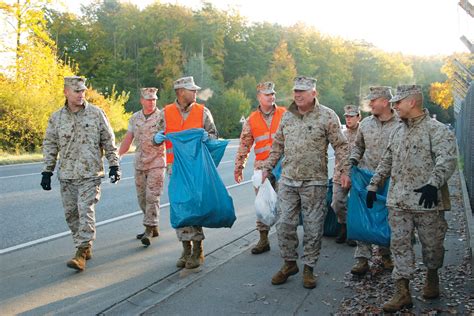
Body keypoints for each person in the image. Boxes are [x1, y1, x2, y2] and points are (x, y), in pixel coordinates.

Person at [366, 85, 456, 312]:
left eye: (398, 102)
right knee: (399, 246)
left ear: (412, 102)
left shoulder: (436, 130)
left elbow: (447, 160)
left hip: (427, 202)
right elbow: (386, 160)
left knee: (432, 246)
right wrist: (373, 186)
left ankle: (432, 276)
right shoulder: (398, 131)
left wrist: (433, 184)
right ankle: (402, 291)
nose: (394, 106)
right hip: (398, 201)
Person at [262, 76, 351, 289]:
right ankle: (289, 263)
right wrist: (267, 167)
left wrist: (345, 170)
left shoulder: (327, 116)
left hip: (314, 182)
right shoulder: (287, 117)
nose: (298, 95)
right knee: (284, 224)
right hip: (288, 180)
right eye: (295, 91)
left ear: (314, 93)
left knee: (313, 227)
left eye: (303, 91)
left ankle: (309, 268)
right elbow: (277, 146)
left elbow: (341, 146)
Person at [41, 76, 121, 271]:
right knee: (71, 214)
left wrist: (114, 165)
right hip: (67, 174)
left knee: (85, 210)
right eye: (76, 91)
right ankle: (84, 245)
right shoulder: (57, 117)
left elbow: (108, 140)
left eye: (83, 91)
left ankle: (81, 251)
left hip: (90, 173)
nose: (81, 94)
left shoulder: (96, 113)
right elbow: (50, 144)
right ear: (66, 92)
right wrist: (47, 171)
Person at [153, 76, 218, 270]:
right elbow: (153, 139)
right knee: (180, 207)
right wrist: (156, 139)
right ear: (181, 91)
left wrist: (208, 137)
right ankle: (185, 247)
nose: (196, 93)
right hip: (175, 168)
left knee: (193, 207)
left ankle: (197, 249)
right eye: (192, 90)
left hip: (196, 168)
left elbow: (214, 135)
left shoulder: (202, 111)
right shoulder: (165, 113)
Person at [349, 86, 398, 276]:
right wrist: (352, 161)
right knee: (364, 215)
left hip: (391, 179)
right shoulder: (366, 124)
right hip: (366, 176)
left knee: (387, 217)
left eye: (373, 100)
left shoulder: (400, 123)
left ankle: (386, 254)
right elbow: (358, 146)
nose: (370, 104)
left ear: (385, 102)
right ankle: (362, 258)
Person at [234, 81, 286, 254]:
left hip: (283, 166)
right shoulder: (252, 119)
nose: (271, 97)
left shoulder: (285, 114)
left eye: (273, 94)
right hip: (261, 167)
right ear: (259, 97)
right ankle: (263, 240)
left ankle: (286, 242)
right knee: (262, 205)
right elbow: (244, 144)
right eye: (267, 94)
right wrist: (239, 167)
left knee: (285, 204)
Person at [119, 87, 166, 247]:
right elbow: (128, 139)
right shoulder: (135, 118)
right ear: (142, 100)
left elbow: (172, 137)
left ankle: (148, 229)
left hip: (157, 162)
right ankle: (154, 226)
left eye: (154, 99)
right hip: (140, 162)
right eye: (148, 99)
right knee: (142, 198)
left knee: (152, 196)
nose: (151, 102)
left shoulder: (162, 117)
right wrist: (118, 156)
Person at [331, 105, 361, 246]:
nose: (348, 119)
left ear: (358, 117)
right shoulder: (341, 133)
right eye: (347, 116)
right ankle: (343, 225)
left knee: (356, 205)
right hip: (340, 173)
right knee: (337, 203)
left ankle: (353, 231)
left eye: (352, 116)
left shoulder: (363, 132)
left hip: (357, 174)